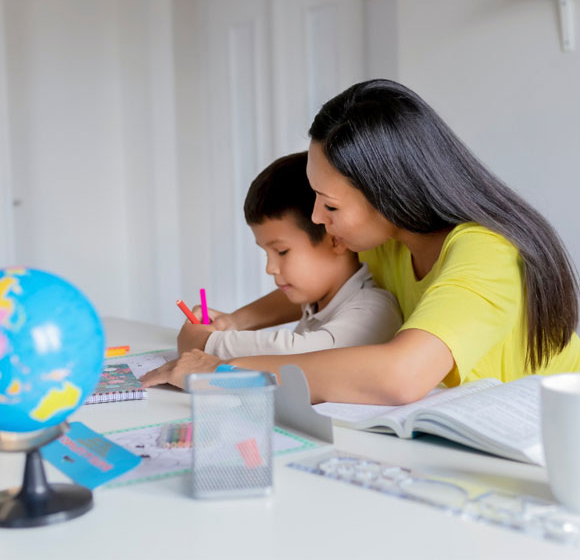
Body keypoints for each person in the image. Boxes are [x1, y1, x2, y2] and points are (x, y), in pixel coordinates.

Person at [142, 79, 580, 405]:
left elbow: (398, 376)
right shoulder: (390, 238)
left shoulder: (486, 254)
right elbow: (318, 282)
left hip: (542, 432)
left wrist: (221, 369)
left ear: (388, 195)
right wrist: (236, 322)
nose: (316, 217)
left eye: (329, 206)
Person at [171, 151, 401, 363]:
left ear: (335, 238)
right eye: (266, 252)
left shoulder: (372, 310)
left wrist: (206, 343)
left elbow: (296, 355)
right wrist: (228, 323)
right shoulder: (317, 306)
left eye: (281, 251)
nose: (270, 268)